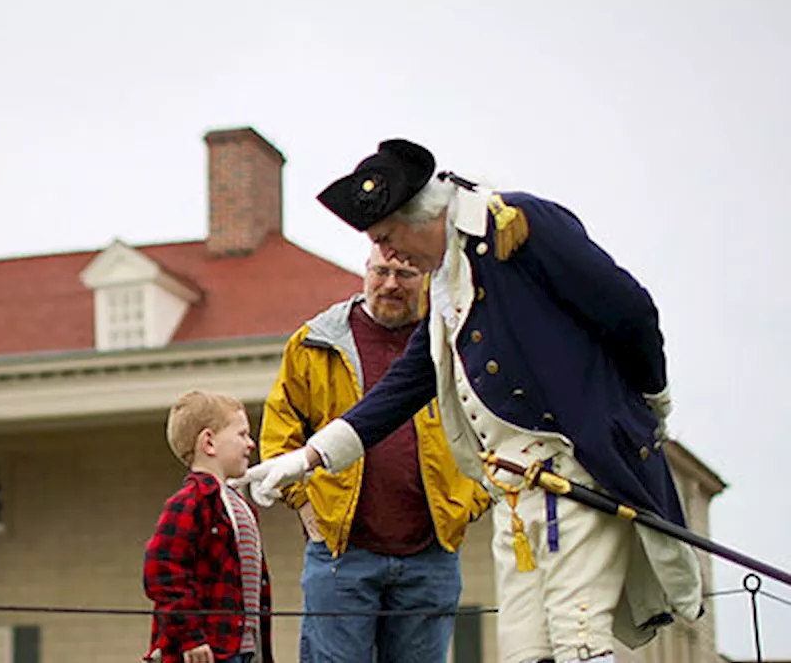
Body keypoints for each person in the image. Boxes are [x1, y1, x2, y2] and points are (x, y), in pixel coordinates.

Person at [234, 139, 704, 663]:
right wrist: (308, 458)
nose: (388, 256)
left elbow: (629, 309)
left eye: (387, 237)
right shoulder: (447, 282)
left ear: (421, 215)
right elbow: (402, 388)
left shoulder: (520, 227)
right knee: (525, 651)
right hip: (516, 494)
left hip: (572, 472)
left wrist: (650, 402)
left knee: (579, 640)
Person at [259, 242, 490, 662]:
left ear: (427, 277)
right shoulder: (314, 343)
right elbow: (279, 437)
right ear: (365, 270)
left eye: (405, 275)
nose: (390, 284)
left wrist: (465, 505)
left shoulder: (457, 346)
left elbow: (494, 433)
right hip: (341, 556)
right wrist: (309, 510)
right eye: (381, 272)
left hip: (431, 556)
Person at [143, 390, 275, 663]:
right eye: (242, 435)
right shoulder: (192, 502)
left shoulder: (240, 506)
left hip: (242, 649)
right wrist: (190, 636)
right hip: (206, 651)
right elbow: (163, 571)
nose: (250, 444)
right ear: (209, 442)